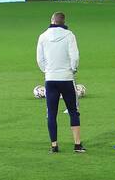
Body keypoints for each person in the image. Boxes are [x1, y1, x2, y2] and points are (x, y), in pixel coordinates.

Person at [36, 11, 84, 154]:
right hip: (67, 79)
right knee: (73, 111)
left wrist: (48, 71)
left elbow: (40, 59)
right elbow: (74, 56)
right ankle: (77, 144)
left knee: (51, 113)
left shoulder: (43, 36)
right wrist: (72, 69)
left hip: (50, 79)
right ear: (63, 22)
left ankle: (54, 145)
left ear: (52, 20)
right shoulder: (69, 36)